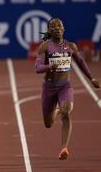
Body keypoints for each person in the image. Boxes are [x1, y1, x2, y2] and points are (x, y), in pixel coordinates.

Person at [35, 18, 99, 160]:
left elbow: (81, 62)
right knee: (48, 123)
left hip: (65, 85)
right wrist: (48, 67)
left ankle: (64, 147)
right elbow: (37, 68)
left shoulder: (71, 46)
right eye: (53, 26)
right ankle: (56, 110)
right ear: (50, 31)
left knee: (67, 111)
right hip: (49, 87)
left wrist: (91, 78)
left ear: (63, 29)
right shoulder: (44, 47)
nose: (57, 28)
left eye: (59, 26)